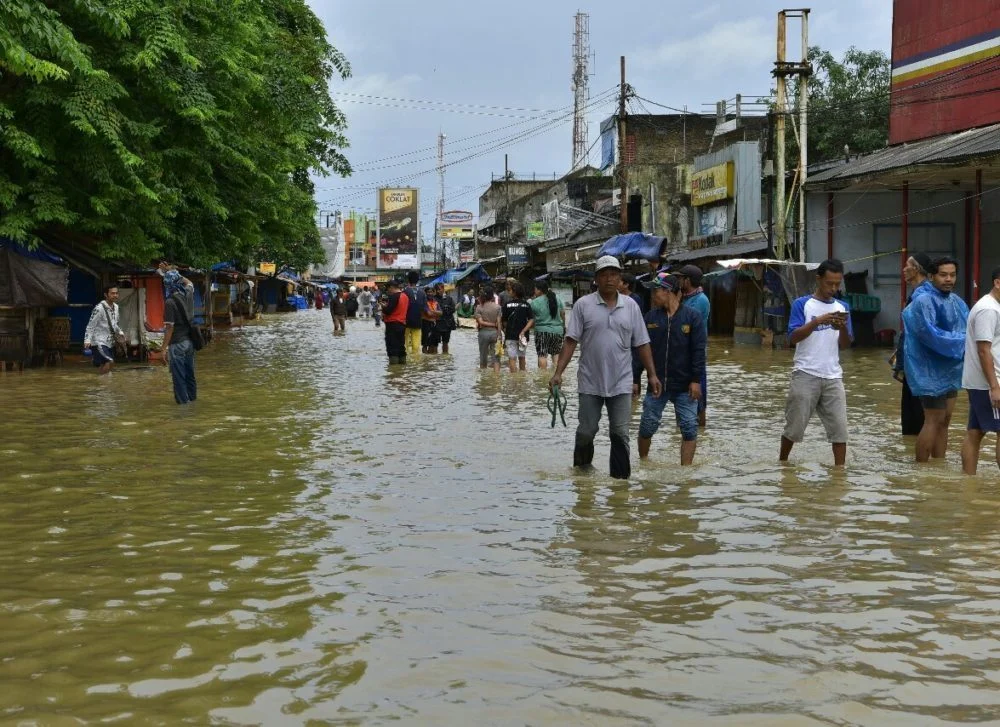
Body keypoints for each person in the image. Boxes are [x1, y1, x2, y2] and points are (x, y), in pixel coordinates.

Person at [549, 256, 661, 480]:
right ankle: (582, 476)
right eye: (604, 274)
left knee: (620, 432)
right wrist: (558, 373)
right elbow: (571, 341)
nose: (610, 279)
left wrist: (652, 374)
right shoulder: (583, 305)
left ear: (620, 279)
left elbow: (642, 342)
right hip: (590, 381)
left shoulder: (631, 306)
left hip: (621, 381)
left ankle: (620, 486)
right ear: (596, 279)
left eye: (614, 275)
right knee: (586, 430)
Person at [779, 259, 853, 467]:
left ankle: (839, 474)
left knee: (840, 431)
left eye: (838, 284)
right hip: (805, 373)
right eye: (829, 283)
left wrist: (842, 328)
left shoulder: (843, 307)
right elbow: (793, 338)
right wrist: (817, 321)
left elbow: (846, 345)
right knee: (793, 428)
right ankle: (782, 463)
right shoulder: (802, 304)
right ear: (818, 279)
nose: (833, 288)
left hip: (833, 376)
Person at [633, 272, 706, 465]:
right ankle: (643, 464)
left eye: (655, 290)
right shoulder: (650, 318)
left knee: (690, 428)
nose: (653, 295)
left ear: (668, 291)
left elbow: (699, 352)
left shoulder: (692, 317)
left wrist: (696, 380)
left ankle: (685, 473)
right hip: (656, 384)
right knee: (647, 426)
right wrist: (635, 379)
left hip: (685, 385)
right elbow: (641, 350)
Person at [902, 256, 969, 463]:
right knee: (933, 420)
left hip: (950, 368)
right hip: (928, 370)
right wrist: (964, 342)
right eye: (943, 275)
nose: (949, 279)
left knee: (945, 420)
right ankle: (921, 469)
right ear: (931, 276)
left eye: (952, 275)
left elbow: (968, 329)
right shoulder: (923, 300)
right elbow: (931, 335)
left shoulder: (956, 301)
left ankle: (939, 466)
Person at [961, 267, 1000, 475]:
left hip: (981, 382)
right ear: (997, 283)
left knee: (974, 433)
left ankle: (968, 482)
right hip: (989, 383)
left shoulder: (991, 306)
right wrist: (995, 387)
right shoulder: (989, 309)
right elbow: (983, 350)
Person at [892, 252, 933, 435]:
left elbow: (923, 331)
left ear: (916, 269)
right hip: (914, 362)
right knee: (912, 411)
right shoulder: (918, 293)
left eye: (907, 265)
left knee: (916, 414)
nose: (904, 269)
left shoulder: (922, 296)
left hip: (918, 364)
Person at [677, 264, 711, 428]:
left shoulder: (700, 301)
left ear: (687, 280)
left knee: (697, 395)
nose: (678, 281)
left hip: (694, 354)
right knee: (682, 396)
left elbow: (684, 324)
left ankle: (699, 431)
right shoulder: (686, 298)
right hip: (682, 354)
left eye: (680, 278)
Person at [162, 271, 198, 404]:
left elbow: (169, 328)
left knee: (178, 378)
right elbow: (189, 283)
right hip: (189, 342)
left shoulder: (170, 302)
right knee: (190, 374)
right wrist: (178, 275)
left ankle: (184, 408)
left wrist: (163, 348)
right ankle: (193, 401)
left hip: (177, 343)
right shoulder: (188, 294)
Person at [83, 284, 126, 375]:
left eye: (116, 293)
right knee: (110, 361)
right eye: (112, 293)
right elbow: (91, 325)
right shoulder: (99, 308)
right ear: (106, 295)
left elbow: (114, 323)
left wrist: (120, 332)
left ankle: (102, 385)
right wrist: (87, 340)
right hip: (99, 341)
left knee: (103, 364)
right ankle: (104, 384)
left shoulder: (116, 307)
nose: (115, 295)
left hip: (109, 342)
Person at [524, 280, 564, 370]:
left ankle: (543, 378)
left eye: (535, 289)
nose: (534, 291)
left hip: (542, 331)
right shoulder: (558, 298)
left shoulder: (535, 302)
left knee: (542, 355)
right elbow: (563, 314)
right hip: (558, 331)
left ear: (540, 290)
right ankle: (556, 375)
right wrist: (563, 326)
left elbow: (531, 319)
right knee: (556, 354)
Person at [501, 281, 533, 372]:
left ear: (514, 292)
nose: (509, 292)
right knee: (522, 358)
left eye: (511, 290)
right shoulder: (526, 305)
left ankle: (514, 382)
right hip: (523, 337)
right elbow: (531, 319)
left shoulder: (507, 305)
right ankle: (522, 381)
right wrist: (524, 331)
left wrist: (507, 329)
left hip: (510, 335)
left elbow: (504, 321)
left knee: (512, 358)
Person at [474, 286, 502, 372]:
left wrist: (491, 324)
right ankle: (496, 380)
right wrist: (500, 335)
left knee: (483, 358)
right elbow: (499, 323)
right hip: (495, 333)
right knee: (496, 358)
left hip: (483, 333)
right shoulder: (498, 307)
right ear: (492, 296)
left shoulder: (479, 307)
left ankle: (483, 381)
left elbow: (480, 322)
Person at [381, 279, 409, 365]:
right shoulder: (405, 296)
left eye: (388, 289)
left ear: (392, 287)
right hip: (402, 324)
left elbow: (388, 311)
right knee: (401, 347)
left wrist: (383, 307)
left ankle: (394, 370)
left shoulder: (394, 296)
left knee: (392, 347)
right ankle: (402, 367)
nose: (388, 291)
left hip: (392, 324)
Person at [403, 271, 427, 357]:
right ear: (417, 280)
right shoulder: (422, 292)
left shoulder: (404, 292)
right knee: (416, 347)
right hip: (418, 323)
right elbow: (425, 309)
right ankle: (415, 365)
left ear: (408, 280)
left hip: (406, 323)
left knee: (406, 346)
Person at [435, 283, 457, 353]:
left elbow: (453, 309)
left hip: (447, 324)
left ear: (443, 289)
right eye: (437, 290)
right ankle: (434, 360)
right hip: (437, 324)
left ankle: (445, 358)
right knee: (434, 344)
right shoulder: (433, 299)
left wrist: (447, 308)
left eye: (440, 289)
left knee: (445, 342)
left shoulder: (449, 299)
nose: (438, 291)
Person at [422, 286, 442, 353]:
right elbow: (428, 314)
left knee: (433, 343)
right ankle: (425, 360)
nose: (430, 293)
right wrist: (436, 313)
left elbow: (441, 313)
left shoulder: (436, 302)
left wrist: (432, 311)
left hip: (434, 324)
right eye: (428, 292)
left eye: (431, 292)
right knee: (425, 343)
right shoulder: (424, 302)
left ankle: (431, 361)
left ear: (434, 293)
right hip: (425, 324)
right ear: (425, 293)